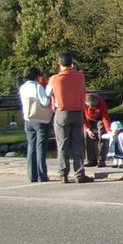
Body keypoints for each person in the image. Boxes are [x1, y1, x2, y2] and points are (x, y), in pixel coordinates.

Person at [46, 52, 93, 183]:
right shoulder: (80, 76)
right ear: (72, 63)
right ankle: (79, 174)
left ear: (59, 63)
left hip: (62, 113)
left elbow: (47, 94)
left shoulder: (55, 79)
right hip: (78, 112)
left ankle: (63, 174)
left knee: (62, 144)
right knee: (78, 144)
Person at [19, 66, 52, 182]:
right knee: (41, 147)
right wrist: (48, 93)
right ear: (36, 76)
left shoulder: (22, 88)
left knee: (31, 146)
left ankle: (32, 174)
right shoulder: (38, 87)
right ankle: (42, 175)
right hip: (40, 119)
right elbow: (45, 102)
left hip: (28, 119)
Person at [83, 93, 111, 168]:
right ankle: (91, 160)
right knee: (87, 136)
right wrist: (87, 129)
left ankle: (102, 160)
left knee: (103, 135)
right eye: (91, 107)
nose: (94, 108)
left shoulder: (101, 103)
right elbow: (81, 117)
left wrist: (109, 132)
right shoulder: (81, 102)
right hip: (87, 117)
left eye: (95, 107)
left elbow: (105, 117)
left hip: (100, 118)